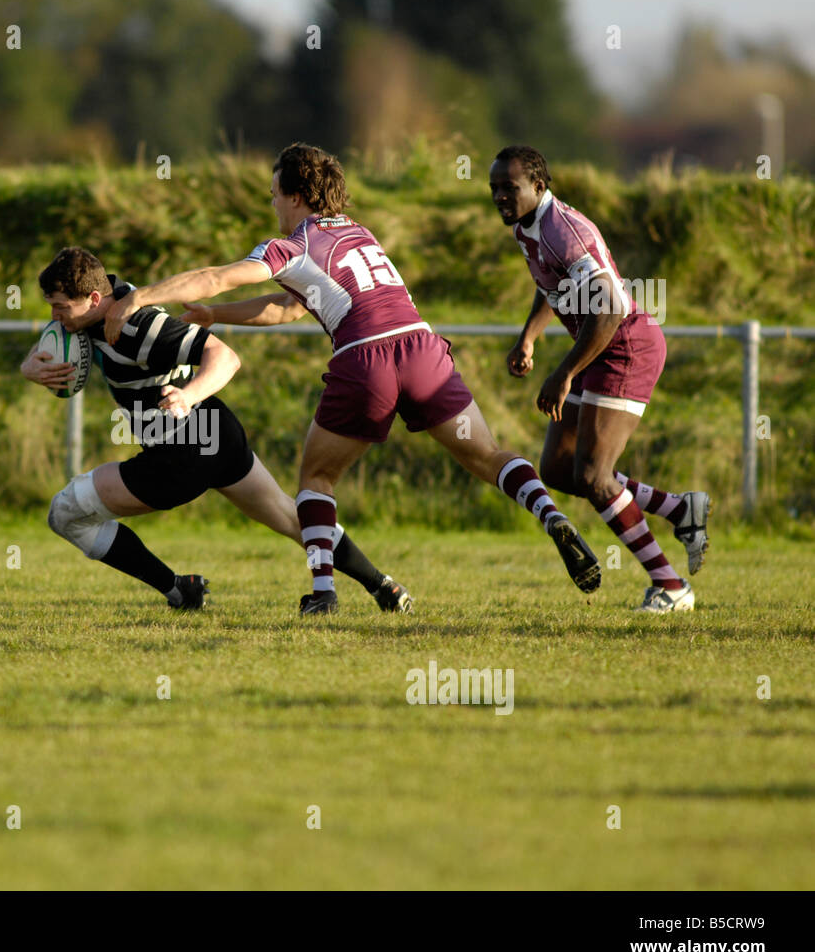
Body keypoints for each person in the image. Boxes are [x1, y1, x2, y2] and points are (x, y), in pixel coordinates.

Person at [102, 143, 602, 614]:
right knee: (487, 455)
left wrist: (141, 296)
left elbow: (216, 274)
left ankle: (323, 592)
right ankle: (549, 515)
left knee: (316, 480)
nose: (272, 202)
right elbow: (288, 308)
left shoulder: (290, 246)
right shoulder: (359, 233)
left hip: (367, 361)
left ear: (296, 195)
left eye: (275, 192)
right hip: (424, 350)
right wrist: (215, 314)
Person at [22, 246, 412, 613]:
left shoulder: (139, 326)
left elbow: (225, 358)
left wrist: (188, 395)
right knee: (292, 519)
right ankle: (383, 585)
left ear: (92, 299)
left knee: (66, 512)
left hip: (181, 455)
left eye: (60, 308)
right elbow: (50, 341)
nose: (55, 317)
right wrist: (29, 367)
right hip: (216, 434)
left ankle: (179, 589)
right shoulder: (93, 312)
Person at [488, 145, 708, 613]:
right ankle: (678, 509)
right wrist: (528, 337)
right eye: (494, 189)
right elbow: (552, 285)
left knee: (593, 474)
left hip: (624, 345)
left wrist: (565, 372)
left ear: (538, 187)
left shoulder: (564, 231)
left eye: (510, 187)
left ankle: (670, 586)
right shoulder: (526, 228)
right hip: (594, 347)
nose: (501, 197)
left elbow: (609, 308)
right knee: (559, 468)